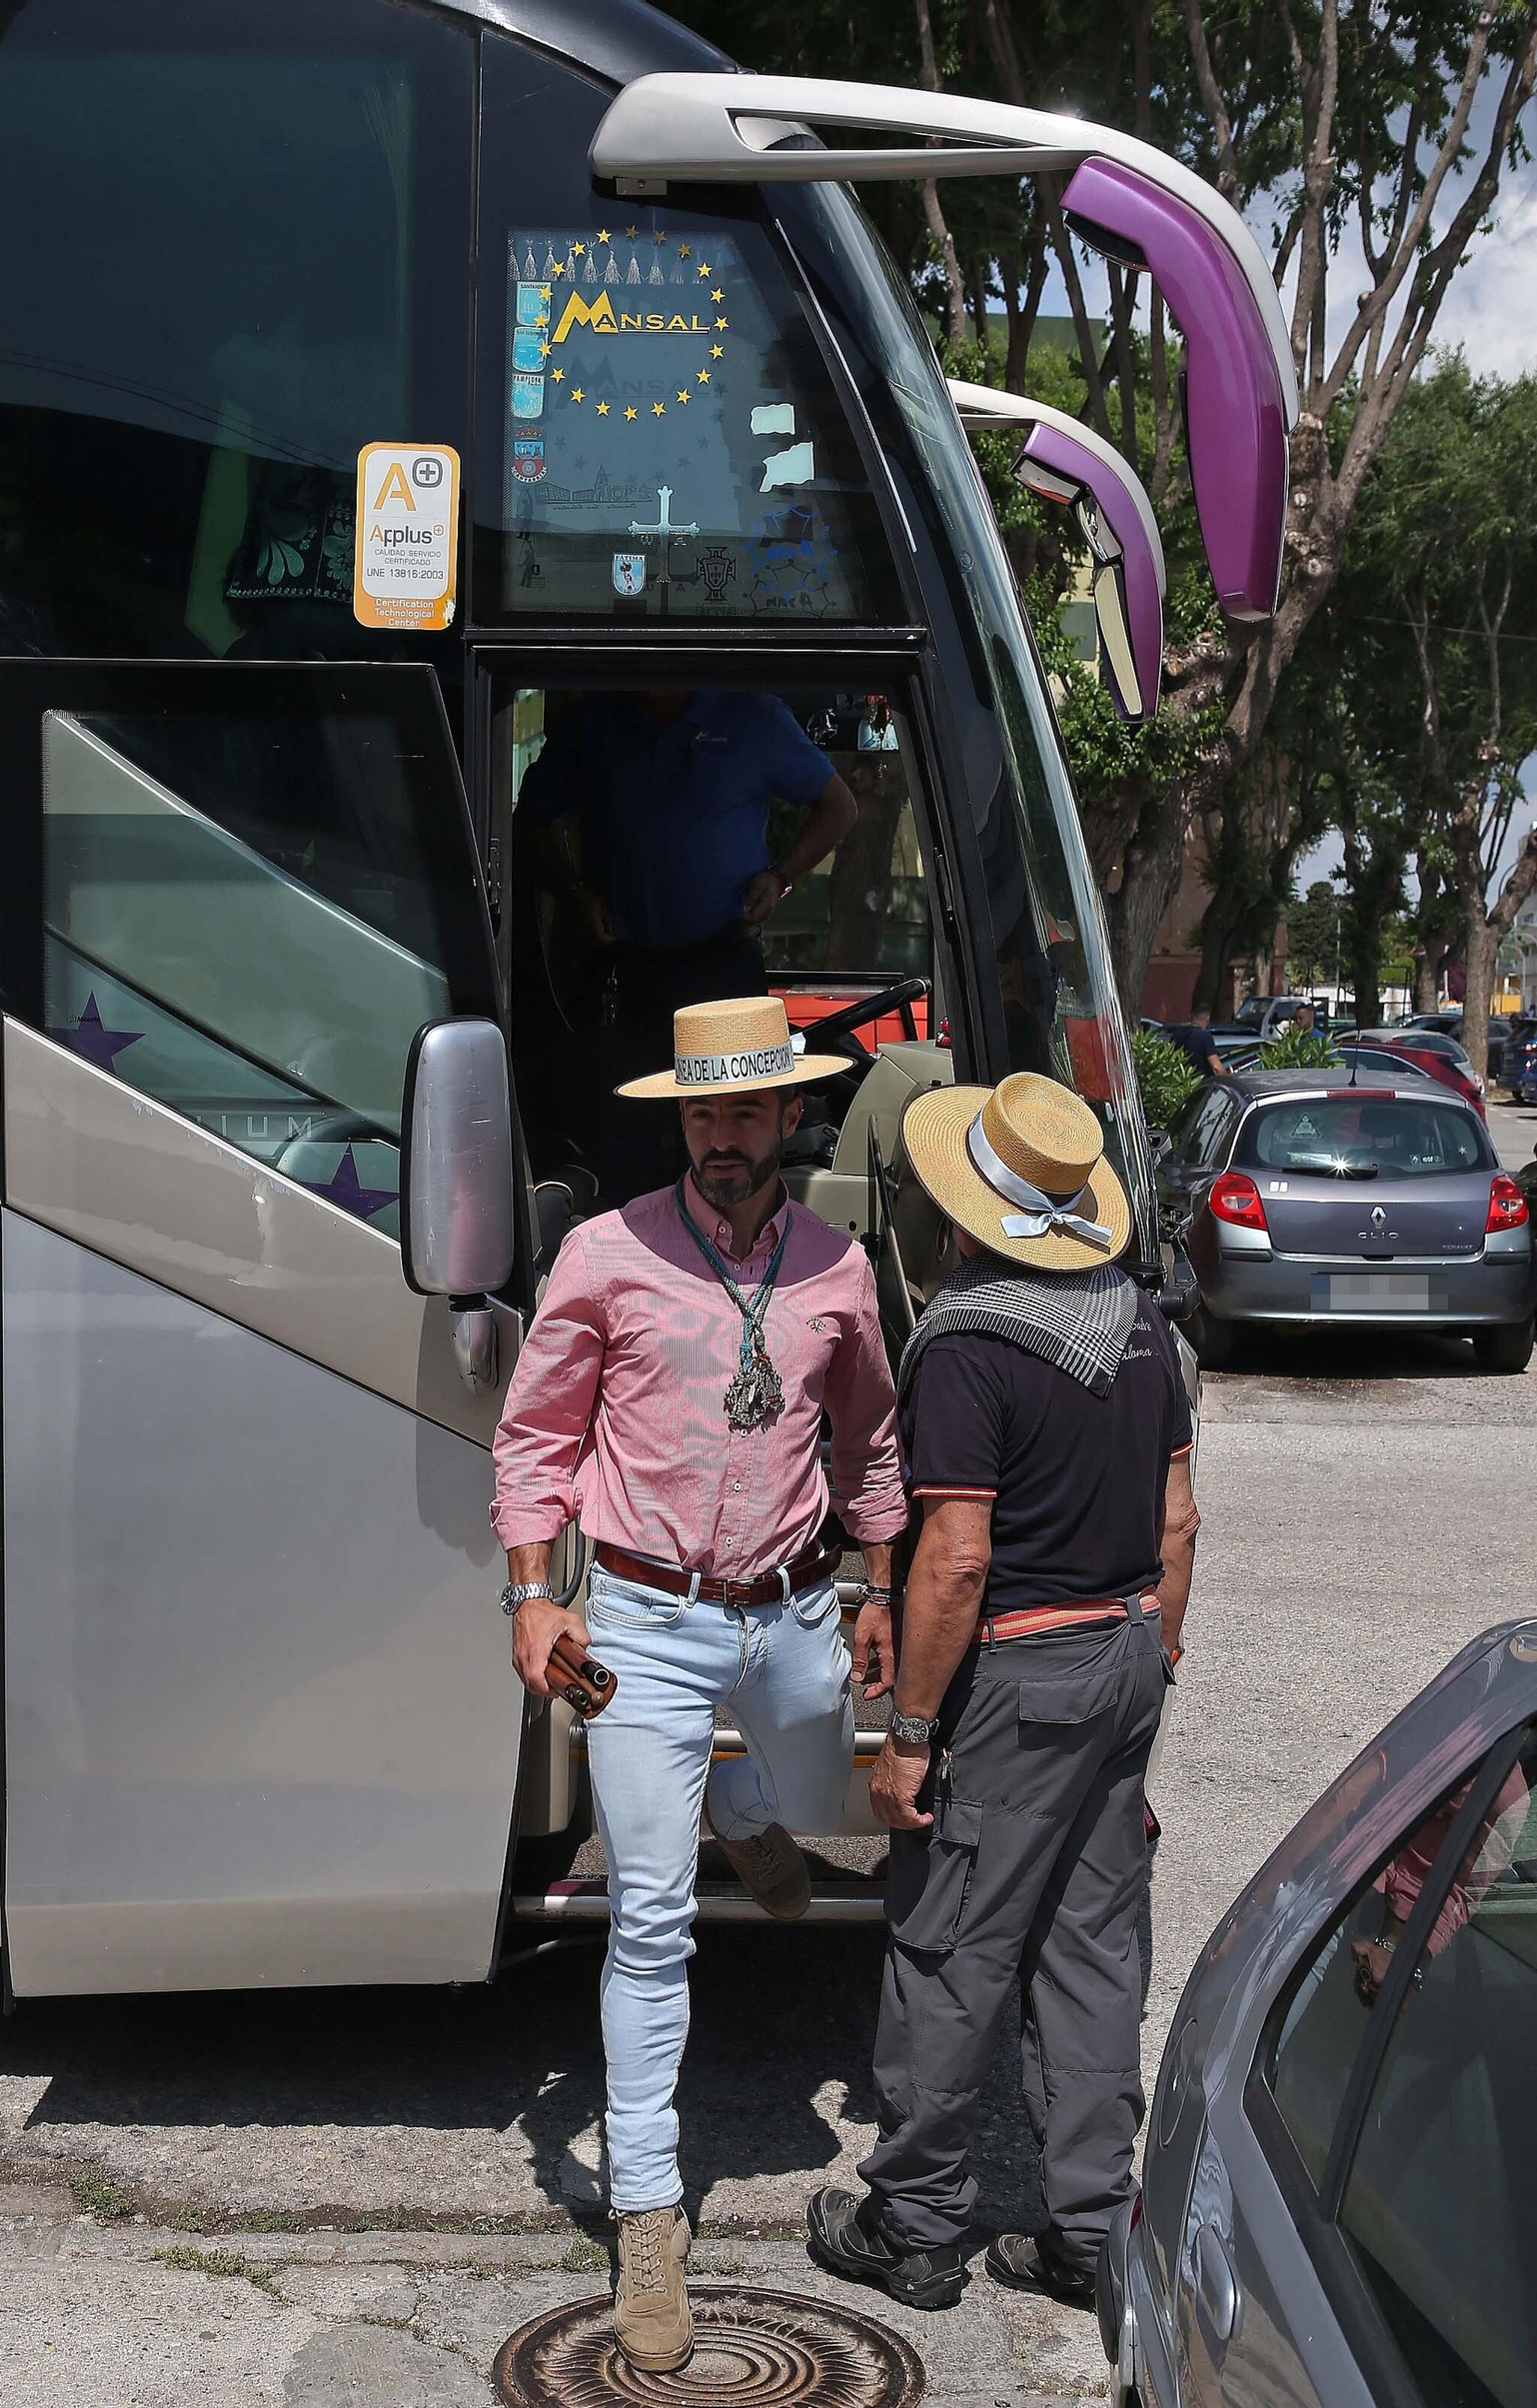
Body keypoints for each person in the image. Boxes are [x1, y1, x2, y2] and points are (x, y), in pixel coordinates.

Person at [491, 995, 907, 2373]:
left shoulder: (838, 1267)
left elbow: (870, 1442)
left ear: (789, 1115)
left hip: (790, 1613)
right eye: (702, 1112)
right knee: (651, 1922)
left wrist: (882, 1590)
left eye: (746, 1111)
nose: (722, 1137)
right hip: (641, 1624)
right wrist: (531, 1592)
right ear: (680, 1120)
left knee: (813, 1800)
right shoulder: (604, 1254)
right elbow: (536, 1437)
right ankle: (650, 2214)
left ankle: (746, 1806)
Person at [807, 1072, 1201, 2311]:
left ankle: (915, 2223)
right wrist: (1149, 1667)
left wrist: (909, 1735)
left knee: (950, 1946)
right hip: (1128, 1648)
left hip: (1023, 1676)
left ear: (960, 1207)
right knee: (1092, 1950)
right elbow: (1178, 1523)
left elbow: (957, 1561)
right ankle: (1089, 2231)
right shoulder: (1142, 1321)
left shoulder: (970, 1339)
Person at [518, 689, 858, 1201]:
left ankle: (731, 1249)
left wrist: (780, 875)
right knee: (623, 1143)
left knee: (731, 1144)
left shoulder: (752, 716)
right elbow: (531, 819)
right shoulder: (596, 719)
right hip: (622, 976)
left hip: (723, 973)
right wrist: (574, 893)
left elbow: (839, 806)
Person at [1177, 1006, 1227, 1082]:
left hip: (1180, 1082)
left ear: (1191, 1016)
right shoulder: (1205, 1036)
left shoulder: (1177, 1034)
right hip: (1200, 1083)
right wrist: (1227, 1080)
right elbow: (1216, 1066)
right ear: (1207, 1019)